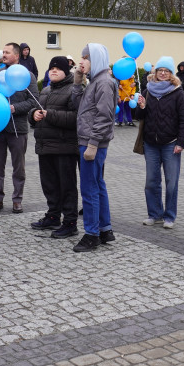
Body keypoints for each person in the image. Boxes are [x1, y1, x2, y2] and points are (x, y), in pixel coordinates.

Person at [29, 56, 83, 238]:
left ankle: (70, 222)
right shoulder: (45, 90)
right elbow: (36, 110)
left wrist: (49, 114)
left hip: (65, 147)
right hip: (45, 146)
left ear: (66, 72)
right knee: (50, 185)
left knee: (67, 186)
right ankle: (53, 216)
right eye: (51, 68)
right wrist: (32, 115)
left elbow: (77, 118)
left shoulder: (74, 90)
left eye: (58, 69)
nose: (53, 71)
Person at [133, 57, 184, 229]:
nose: (163, 73)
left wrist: (181, 142)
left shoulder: (178, 93)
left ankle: (169, 216)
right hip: (151, 143)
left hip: (171, 144)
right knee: (151, 181)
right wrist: (141, 107)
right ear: (155, 73)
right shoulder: (148, 91)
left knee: (171, 182)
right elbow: (138, 117)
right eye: (160, 70)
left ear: (171, 74)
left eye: (166, 71)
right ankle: (154, 214)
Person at [73, 43, 118, 252]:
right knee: (98, 185)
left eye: (85, 58)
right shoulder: (95, 81)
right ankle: (104, 229)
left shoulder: (104, 83)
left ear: (96, 59)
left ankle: (92, 234)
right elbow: (79, 106)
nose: (81, 61)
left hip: (92, 143)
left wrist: (92, 144)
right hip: (90, 141)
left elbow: (104, 116)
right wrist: (77, 82)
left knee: (90, 188)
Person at [0, 42, 39, 214]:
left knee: (19, 166)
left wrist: (15, 108)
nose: (4, 54)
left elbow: (34, 101)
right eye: (4, 52)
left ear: (16, 55)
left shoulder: (27, 75)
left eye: (7, 52)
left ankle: (17, 199)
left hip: (19, 128)